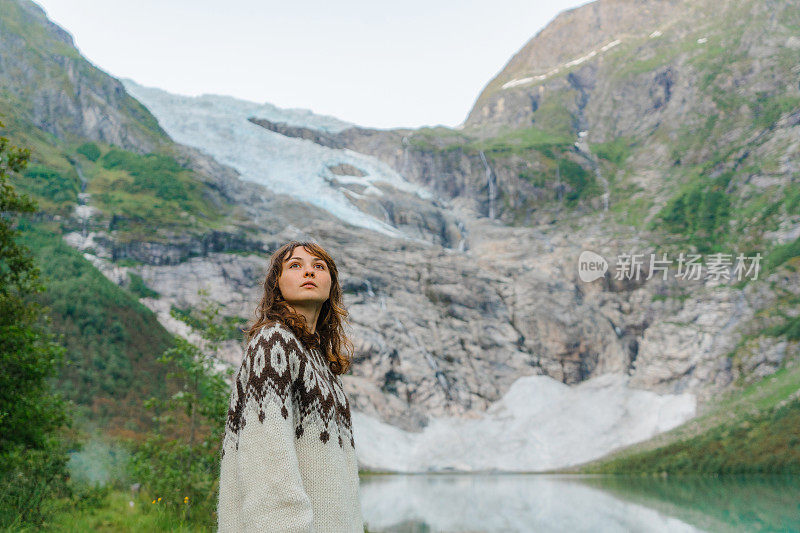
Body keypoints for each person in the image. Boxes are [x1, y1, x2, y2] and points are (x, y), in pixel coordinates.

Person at [217, 240, 364, 532]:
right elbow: (267, 458)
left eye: (318, 266)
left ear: (331, 285)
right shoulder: (273, 341)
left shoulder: (321, 361)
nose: (309, 272)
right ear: (277, 285)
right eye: (295, 265)